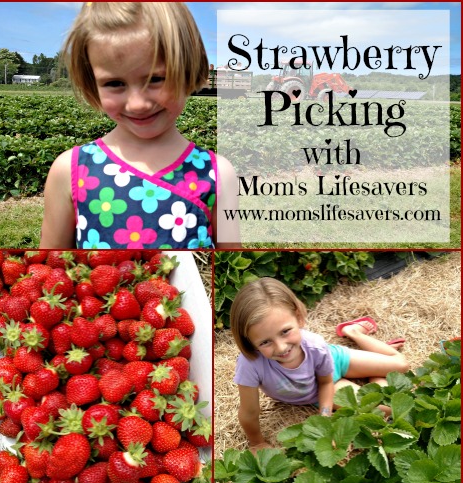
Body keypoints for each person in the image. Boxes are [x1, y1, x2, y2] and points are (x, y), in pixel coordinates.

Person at [40, 2, 239, 249]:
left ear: (188, 71)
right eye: (114, 83)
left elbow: (226, 258)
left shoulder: (218, 175)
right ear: (92, 81)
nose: (137, 104)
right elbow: (52, 261)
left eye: (156, 79)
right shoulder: (69, 171)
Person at [229, 277, 410, 455]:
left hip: (335, 360)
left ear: (298, 318)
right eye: (265, 342)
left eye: (285, 331)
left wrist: (325, 417)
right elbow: (249, 412)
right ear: (250, 342)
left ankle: (354, 332)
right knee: (384, 410)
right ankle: (374, 373)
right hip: (320, 388)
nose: (281, 347)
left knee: (402, 365)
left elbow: (325, 381)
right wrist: (257, 443)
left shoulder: (315, 345)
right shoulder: (250, 365)